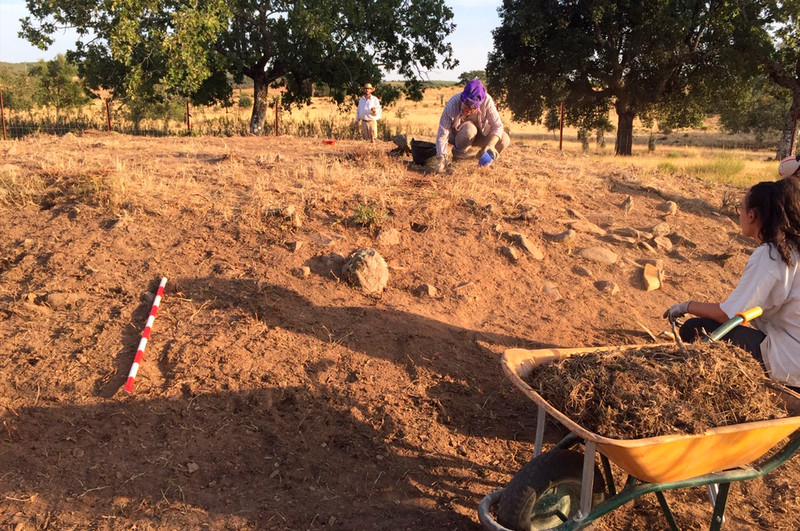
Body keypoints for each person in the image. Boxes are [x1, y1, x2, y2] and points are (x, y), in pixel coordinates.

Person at [663, 178, 800, 387]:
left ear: (751, 215)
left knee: (695, 328)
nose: (740, 215)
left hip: (790, 363)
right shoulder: (793, 249)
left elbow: (727, 314)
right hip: (793, 349)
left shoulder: (771, 255)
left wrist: (686, 306)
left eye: (741, 210)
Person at [435, 79, 511, 172]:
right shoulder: (453, 103)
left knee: (504, 139)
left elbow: (498, 126)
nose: (468, 109)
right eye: (465, 105)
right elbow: (442, 134)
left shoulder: (487, 101)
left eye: (472, 108)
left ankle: (482, 160)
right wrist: (441, 159)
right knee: (469, 130)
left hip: (480, 134)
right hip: (457, 135)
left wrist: (491, 145)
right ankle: (458, 158)